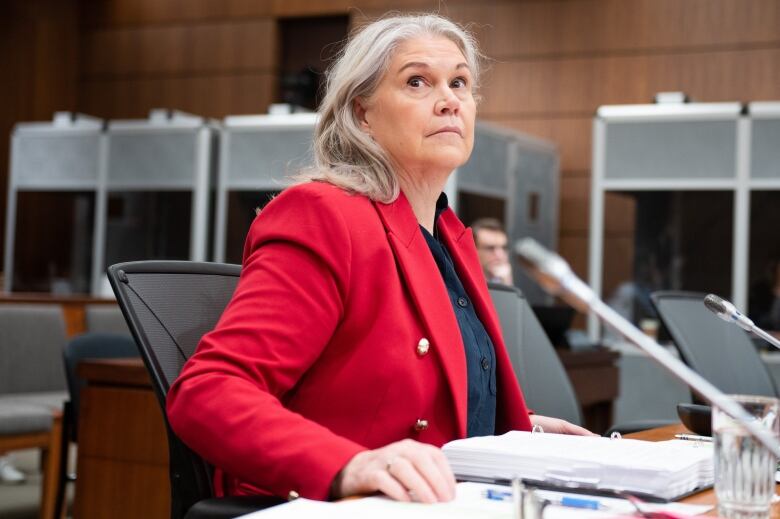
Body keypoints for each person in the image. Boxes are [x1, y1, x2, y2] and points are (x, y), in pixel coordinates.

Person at [166, 13, 591, 505]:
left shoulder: (448, 237)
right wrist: (350, 464)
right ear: (361, 113)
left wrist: (511, 427)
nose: (450, 100)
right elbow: (208, 392)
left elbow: (430, 395)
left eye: (460, 82)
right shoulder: (326, 215)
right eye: (418, 81)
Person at [471, 218, 512, 285]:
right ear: (472, 250)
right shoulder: (462, 285)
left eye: (504, 248)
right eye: (490, 248)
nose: (500, 255)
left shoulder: (504, 278)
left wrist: (506, 283)